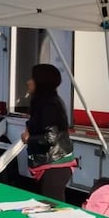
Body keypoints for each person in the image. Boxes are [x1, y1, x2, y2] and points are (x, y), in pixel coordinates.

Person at [20, 63, 76, 201]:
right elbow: (40, 124)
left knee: (52, 210)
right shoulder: (44, 102)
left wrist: (29, 138)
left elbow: (50, 138)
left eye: (32, 79)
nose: (28, 82)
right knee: (46, 207)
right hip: (51, 165)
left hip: (55, 166)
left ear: (41, 82)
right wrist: (29, 126)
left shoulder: (49, 105)